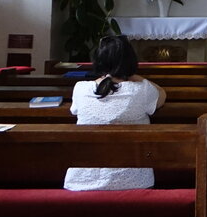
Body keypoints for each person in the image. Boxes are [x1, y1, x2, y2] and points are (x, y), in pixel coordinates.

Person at [64, 35, 166, 191]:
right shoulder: (142, 89)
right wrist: (135, 76)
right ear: (131, 60)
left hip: (82, 182)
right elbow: (162, 94)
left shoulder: (81, 88)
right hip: (134, 182)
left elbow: (75, 109)